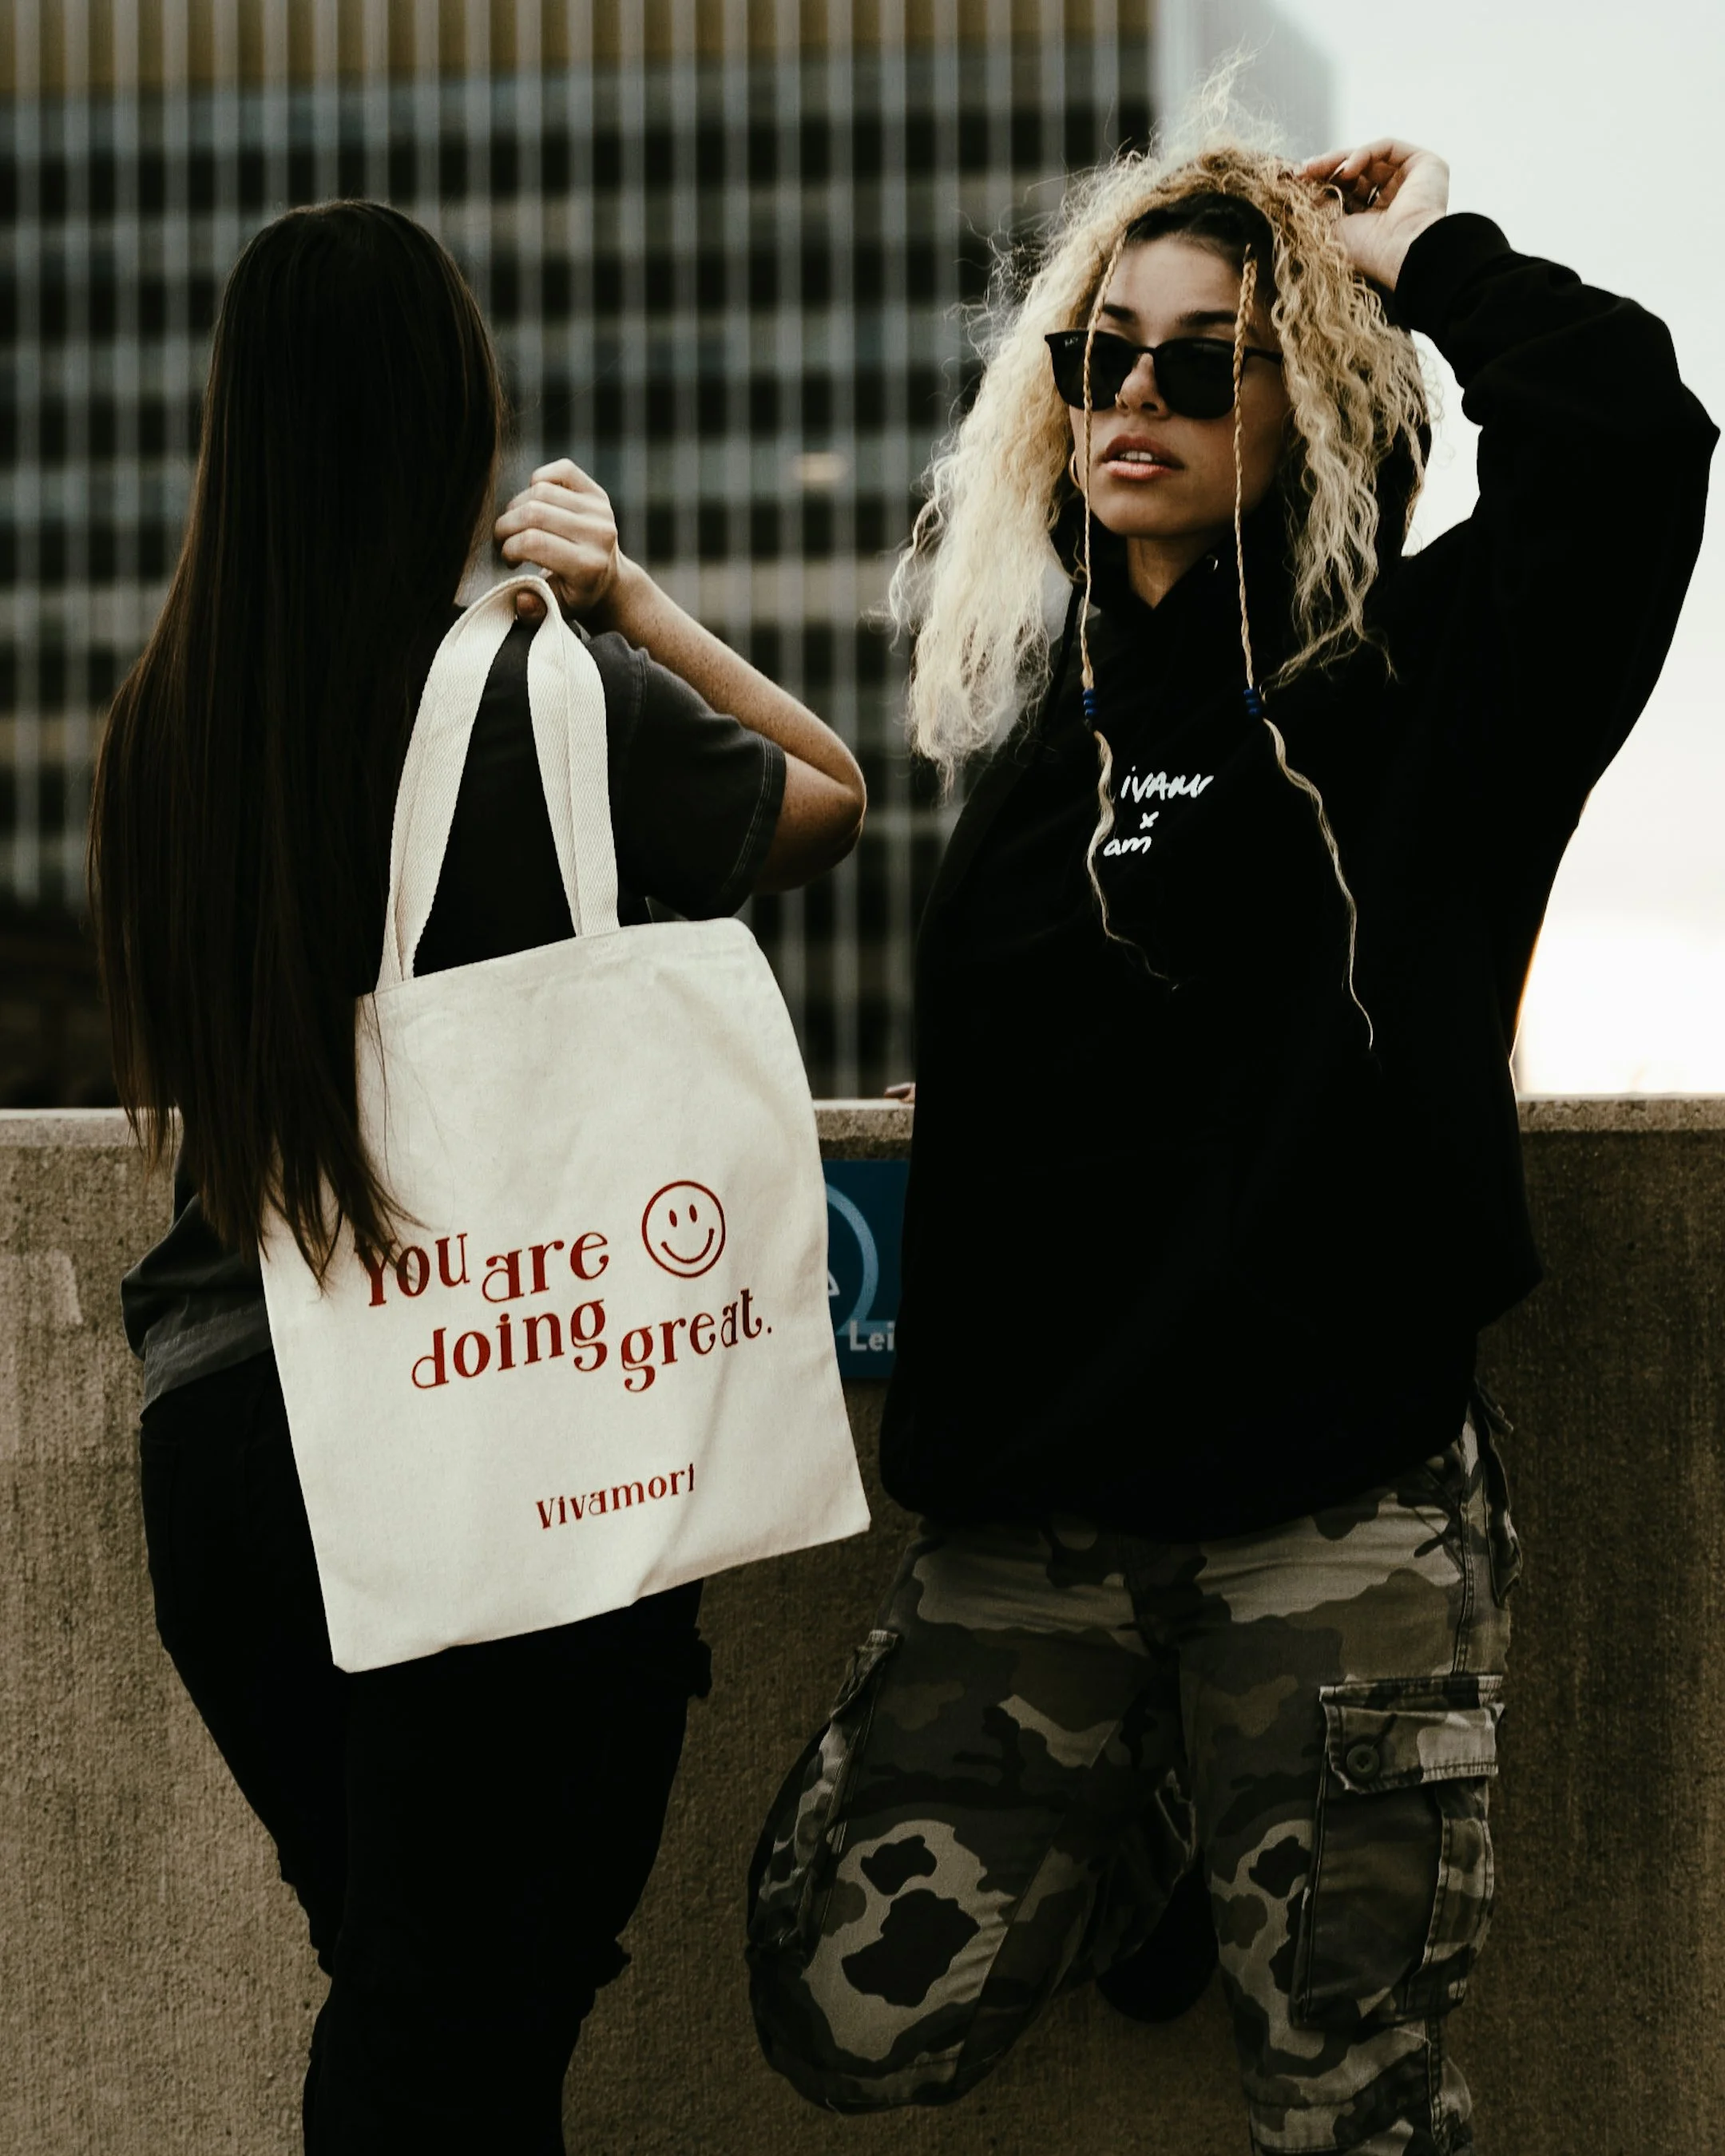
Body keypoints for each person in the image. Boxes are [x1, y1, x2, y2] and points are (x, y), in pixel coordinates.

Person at [746, 133, 1716, 2153]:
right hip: (1041, 1520)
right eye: (1106, 359)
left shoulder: (1435, 684)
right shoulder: (1046, 735)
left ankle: (1218, 1775)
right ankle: (1155, 1801)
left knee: (1344, 2099)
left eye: (1211, 366)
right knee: (843, 2016)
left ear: (1316, 404)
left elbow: (1629, 430)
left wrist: (1419, 246)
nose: (1138, 402)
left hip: (1332, 1506)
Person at [89, 201, 863, 2156]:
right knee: (454, 2039)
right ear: (454, 415)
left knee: (435, 2014)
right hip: (478, 1447)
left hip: (227, 1465)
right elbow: (829, 802)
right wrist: (627, 602)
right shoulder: (544, 697)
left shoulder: (158, 729)